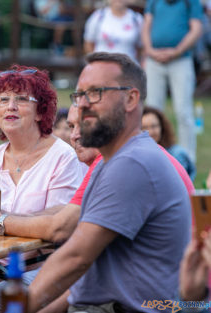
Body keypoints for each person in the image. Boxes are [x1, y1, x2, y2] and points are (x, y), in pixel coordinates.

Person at [25, 52, 191, 313]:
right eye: (79, 94)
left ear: (131, 98)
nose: (83, 105)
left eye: (95, 92)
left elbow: (75, 258)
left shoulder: (133, 163)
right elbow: (85, 275)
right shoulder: (110, 162)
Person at [0, 65, 84, 311]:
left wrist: (0, 222)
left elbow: (55, 229)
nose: (10, 106)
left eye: (21, 99)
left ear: (41, 112)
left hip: (44, 268)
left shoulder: (62, 156)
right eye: (3, 100)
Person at [142, 0, 202, 163]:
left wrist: (177, 51)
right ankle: (152, 155)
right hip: (155, 61)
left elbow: (196, 29)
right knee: (152, 111)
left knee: (184, 112)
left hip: (181, 60)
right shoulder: (154, 2)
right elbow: (146, 26)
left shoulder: (191, 2)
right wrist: (150, 51)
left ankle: (187, 159)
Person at [142, 106, 196, 180]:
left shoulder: (177, 154)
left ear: (162, 127)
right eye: (144, 128)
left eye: (154, 126)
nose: (150, 132)